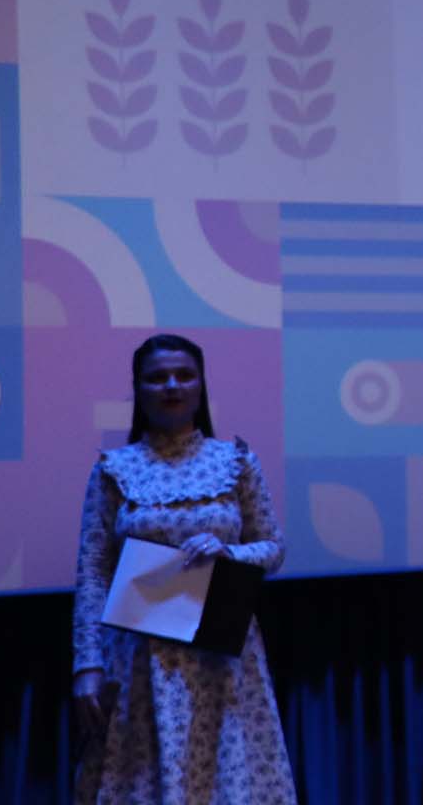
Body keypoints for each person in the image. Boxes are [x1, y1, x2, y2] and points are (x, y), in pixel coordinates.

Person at [71, 333, 297, 804]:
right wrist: (87, 664)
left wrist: (229, 553)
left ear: (200, 386)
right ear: (139, 390)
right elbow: (93, 570)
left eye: (184, 375)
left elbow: (274, 548)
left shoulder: (234, 461)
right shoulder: (114, 468)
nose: (171, 385)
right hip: (142, 657)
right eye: (157, 378)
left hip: (221, 654)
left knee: (228, 780)